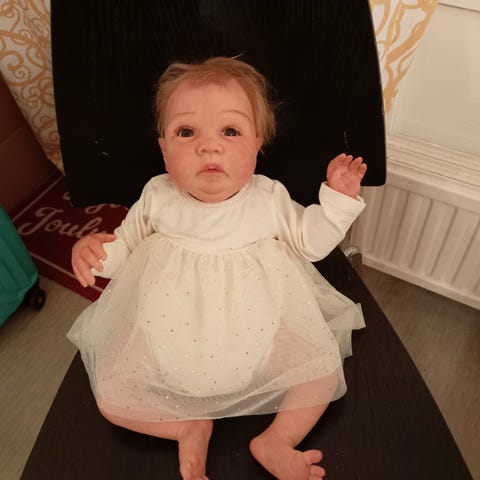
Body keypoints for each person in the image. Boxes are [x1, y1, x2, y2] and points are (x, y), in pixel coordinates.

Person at [69, 56, 367, 480]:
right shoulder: (157, 196)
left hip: (257, 337)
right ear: (164, 148)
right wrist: (96, 253)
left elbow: (311, 242)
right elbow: (124, 250)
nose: (209, 147)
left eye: (230, 131)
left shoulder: (268, 198)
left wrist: (337, 202)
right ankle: (186, 427)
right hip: (164, 337)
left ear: (257, 144)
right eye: (186, 132)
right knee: (111, 393)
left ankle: (276, 440)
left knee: (322, 372)